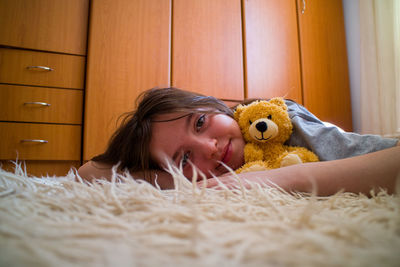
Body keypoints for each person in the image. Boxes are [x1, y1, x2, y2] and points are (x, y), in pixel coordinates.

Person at [78, 87, 400, 195]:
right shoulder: (192, 176)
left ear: (215, 105)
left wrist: (274, 180)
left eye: (201, 122)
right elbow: (88, 173)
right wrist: (167, 178)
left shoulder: (275, 120)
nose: (209, 147)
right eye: (184, 159)